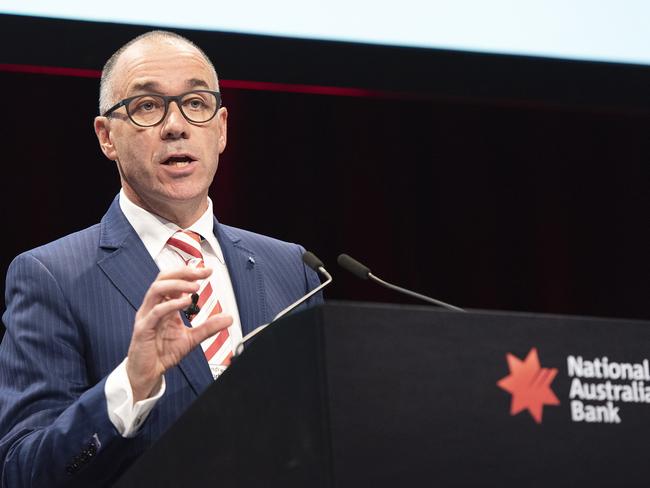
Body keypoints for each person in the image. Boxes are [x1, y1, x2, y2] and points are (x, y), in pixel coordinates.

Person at [0, 30, 322, 487]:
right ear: (106, 137)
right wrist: (132, 384)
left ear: (222, 128)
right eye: (148, 106)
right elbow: (23, 472)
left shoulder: (293, 268)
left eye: (195, 102)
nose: (176, 125)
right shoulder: (52, 275)